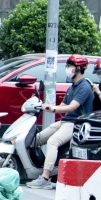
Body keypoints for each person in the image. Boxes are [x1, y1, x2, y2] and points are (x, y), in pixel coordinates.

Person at [25, 54, 95, 190]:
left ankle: (45, 178)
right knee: (35, 139)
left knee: (53, 141)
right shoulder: (72, 86)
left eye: (70, 66)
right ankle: (36, 168)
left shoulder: (84, 87)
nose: (68, 69)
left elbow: (72, 107)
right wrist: (47, 106)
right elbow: (63, 104)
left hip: (75, 123)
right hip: (65, 121)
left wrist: (53, 109)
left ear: (79, 68)